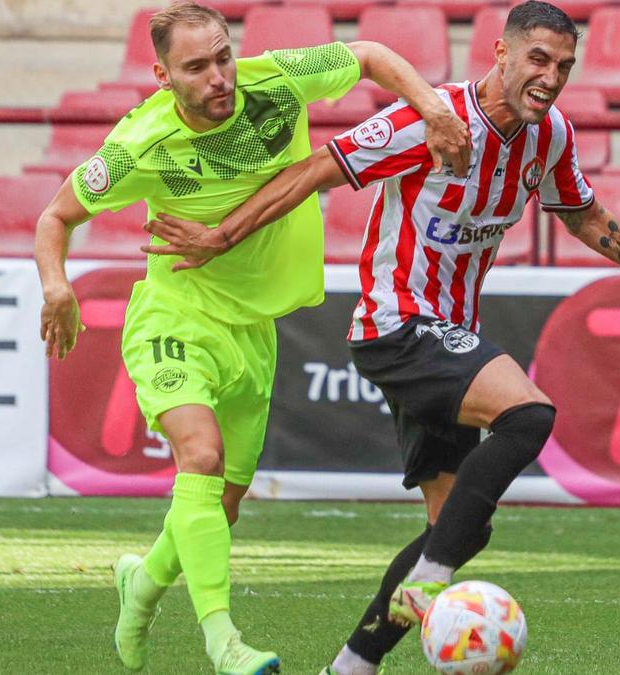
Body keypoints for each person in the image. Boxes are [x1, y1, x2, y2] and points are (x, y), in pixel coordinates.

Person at [141, 2, 620, 673]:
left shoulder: (548, 135)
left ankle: (350, 665)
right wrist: (222, 234)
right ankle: (431, 573)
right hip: (397, 324)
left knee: (460, 524)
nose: (550, 78)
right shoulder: (431, 119)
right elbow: (318, 168)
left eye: (563, 66)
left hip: (448, 334)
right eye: (538, 60)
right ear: (501, 51)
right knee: (529, 415)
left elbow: (583, 215)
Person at [33, 2, 472, 673]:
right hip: (174, 319)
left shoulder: (274, 82)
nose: (219, 76)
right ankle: (223, 642)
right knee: (199, 458)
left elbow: (374, 56)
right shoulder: (139, 145)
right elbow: (55, 216)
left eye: (222, 57)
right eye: (197, 66)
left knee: (222, 507)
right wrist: (57, 285)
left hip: (253, 331)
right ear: (161, 75)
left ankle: (141, 584)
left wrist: (432, 108)